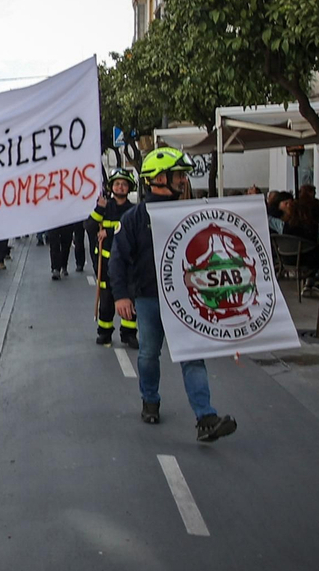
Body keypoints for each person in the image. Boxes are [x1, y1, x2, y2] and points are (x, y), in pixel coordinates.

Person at [109, 146, 238, 442]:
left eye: (182, 175)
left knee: (193, 355)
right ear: (158, 179)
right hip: (149, 298)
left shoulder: (192, 214)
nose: (183, 180)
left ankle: (206, 417)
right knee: (148, 354)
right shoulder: (135, 218)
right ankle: (150, 401)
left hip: (185, 299)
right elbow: (118, 259)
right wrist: (121, 297)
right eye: (178, 174)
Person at [92, 168, 138, 348]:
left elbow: (127, 232)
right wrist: (98, 208)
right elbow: (89, 226)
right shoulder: (105, 207)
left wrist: (109, 232)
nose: (120, 187)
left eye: (124, 184)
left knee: (130, 298)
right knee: (106, 300)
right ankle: (104, 332)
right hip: (106, 263)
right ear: (112, 187)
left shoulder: (133, 210)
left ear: (129, 188)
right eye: (117, 184)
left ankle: (128, 334)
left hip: (128, 263)